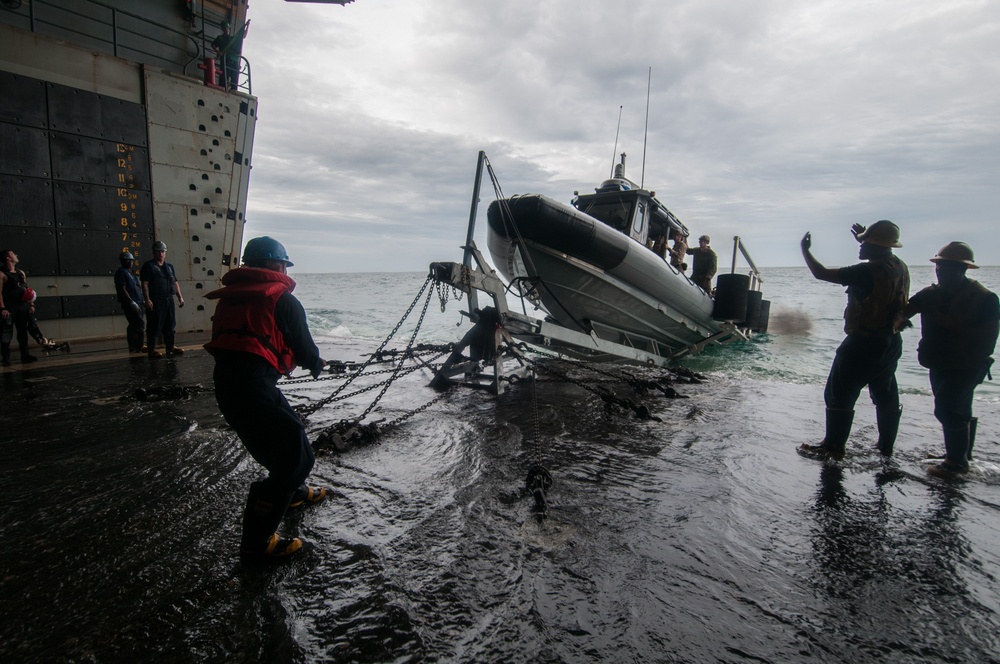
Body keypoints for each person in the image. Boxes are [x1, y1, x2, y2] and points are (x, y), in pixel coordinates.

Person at [204, 236, 329, 561]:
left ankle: (294, 493)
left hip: (229, 386)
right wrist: (317, 364)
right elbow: (304, 349)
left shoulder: (231, 299)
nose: (285, 269)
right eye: (284, 264)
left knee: (282, 439)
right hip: (255, 388)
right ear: (275, 265)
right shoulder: (284, 301)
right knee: (297, 457)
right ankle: (258, 544)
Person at [798, 220, 910, 460]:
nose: (860, 246)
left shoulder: (865, 272)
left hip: (863, 343)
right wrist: (864, 238)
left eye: (865, 243)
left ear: (877, 247)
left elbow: (820, 273)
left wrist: (805, 250)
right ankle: (885, 447)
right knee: (886, 393)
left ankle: (833, 446)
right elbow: (876, 253)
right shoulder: (899, 266)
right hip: (890, 343)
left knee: (838, 392)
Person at [893, 242, 998, 478]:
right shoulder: (931, 294)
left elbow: (989, 339)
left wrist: (951, 325)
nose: (941, 272)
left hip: (967, 364)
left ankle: (956, 463)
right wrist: (900, 319)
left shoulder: (985, 299)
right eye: (939, 267)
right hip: (939, 360)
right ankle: (962, 455)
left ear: (963, 270)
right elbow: (906, 310)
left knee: (948, 409)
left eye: (948, 268)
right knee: (958, 407)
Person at [141, 240, 185, 359]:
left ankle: (170, 346)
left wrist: (180, 297)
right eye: (158, 251)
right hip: (156, 300)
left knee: (170, 324)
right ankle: (152, 349)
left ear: (165, 253)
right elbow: (145, 284)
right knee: (154, 324)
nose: (160, 254)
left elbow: (175, 283)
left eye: (162, 251)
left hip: (168, 299)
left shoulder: (169, 267)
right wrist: (147, 299)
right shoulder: (149, 266)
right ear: (154, 253)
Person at [1, 249, 38, 366]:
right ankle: (6, 358)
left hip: (22, 307)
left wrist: (31, 303)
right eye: (12, 254)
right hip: (9, 307)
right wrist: (2, 308)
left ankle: (25, 355)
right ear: (7, 258)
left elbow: (26, 290)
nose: (16, 255)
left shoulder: (21, 273)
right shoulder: (2, 274)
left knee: (22, 331)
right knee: (6, 333)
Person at [115, 251, 145, 353]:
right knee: (138, 323)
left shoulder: (131, 274)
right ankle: (138, 345)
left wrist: (142, 300)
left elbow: (137, 288)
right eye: (128, 260)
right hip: (130, 303)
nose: (130, 262)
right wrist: (131, 302)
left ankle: (135, 345)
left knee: (134, 324)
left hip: (138, 302)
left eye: (131, 260)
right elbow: (122, 289)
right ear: (123, 262)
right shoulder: (121, 273)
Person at [212, 19, 248, 91]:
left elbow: (242, 36)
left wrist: (247, 26)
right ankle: (222, 89)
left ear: (229, 29)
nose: (226, 30)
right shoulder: (220, 38)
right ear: (222, 29)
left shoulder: (232, 39)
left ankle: (233, 90)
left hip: (234, 61)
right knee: (224, 77)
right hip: (226, 60)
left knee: (234, 78)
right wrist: (218, 52)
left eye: (227, 28)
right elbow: (213, 45)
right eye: (225, 28)